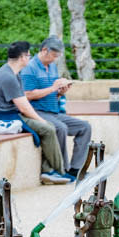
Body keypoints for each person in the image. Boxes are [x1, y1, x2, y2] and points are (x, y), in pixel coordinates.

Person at [0, 41, 71, 184]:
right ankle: (58, 171)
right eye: (28, 55)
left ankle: (49, 170)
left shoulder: (12, 73)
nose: (30, 58)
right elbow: (24, 108)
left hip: (13, 113)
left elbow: (24, 103)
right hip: (6, 116)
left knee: (48, 126)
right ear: (22, 57)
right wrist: (41, 120)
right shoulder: (8, 77)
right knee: (49, 128)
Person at [21, 36, 92, 177]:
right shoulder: (30, 68)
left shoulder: (52, 67)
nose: (55, 59)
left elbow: (51, 92)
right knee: (60, 128)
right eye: (54, 55)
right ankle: (63, 169)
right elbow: (27, 94)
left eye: (57, 56)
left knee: (85, 127)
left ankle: (76, 169)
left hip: (53, 111)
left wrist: (60, 92)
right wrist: (53, 88)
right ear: (44, 50)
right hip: (36, 111)